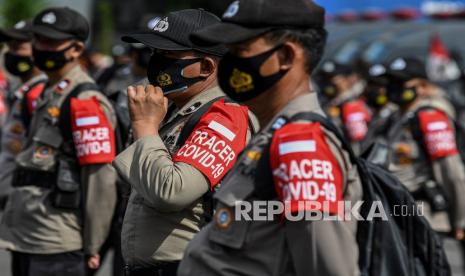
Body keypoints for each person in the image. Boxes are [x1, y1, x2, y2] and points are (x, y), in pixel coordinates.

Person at [178, 0, 363, 275]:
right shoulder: (273, 135)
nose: (229, 65)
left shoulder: (301, 145)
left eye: (241, 51)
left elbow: (326, 266)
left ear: (287, 56)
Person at [112, 9, 257, 276]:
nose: (156, 63)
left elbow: (172, 191)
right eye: (155, 53)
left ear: (206, 67)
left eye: (168, 56)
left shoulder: (224, 115)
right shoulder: (175, 109)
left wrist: (145, 127)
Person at [0, 7, 118, 276]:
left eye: (51, 41)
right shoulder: (49, 93)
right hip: (28, 237)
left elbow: (100, 181)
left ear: (76, 49)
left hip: (58, 244)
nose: (40, 47)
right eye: (38, 39)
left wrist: (94, 245)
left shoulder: (85, 101)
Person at [377, 57, 465, 275]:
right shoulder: (396, 117)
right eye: (390, 83)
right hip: (398, 214)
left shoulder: (430, 117)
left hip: (426, 216)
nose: (393, 89)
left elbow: (451, 172)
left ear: (423, 86)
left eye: (401, 83)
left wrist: (460, 220)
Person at [0, 19, 47, 208]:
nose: (12, 54)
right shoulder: (19, 89)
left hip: (23, 200)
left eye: (18, 47)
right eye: (9, 47)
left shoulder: (41, 93)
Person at [318, 60, 371, 154]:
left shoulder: (352, 104)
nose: (329, 82)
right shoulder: (327, 102)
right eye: (326, 78)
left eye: (333, 78)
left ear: (346, 79)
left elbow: (358, 138)